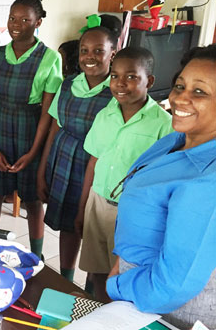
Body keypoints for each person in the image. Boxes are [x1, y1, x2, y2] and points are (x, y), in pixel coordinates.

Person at [107, 45, 216, 329]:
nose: (181, 97)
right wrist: (120, 264)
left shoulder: (209, 179)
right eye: (180, 85)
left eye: (199, 92)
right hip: (136, 282)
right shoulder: (175, 140)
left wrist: (116, 286)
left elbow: (174, 284)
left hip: (169, 310)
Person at [75, 47, 173, 302]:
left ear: (149, 81)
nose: (120, 83)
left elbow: (165, 181)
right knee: (96, 268)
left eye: (131, 77)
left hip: (133, 213)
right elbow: (93, 162)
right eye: (115, 76)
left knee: (124, 274)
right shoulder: (105, 115)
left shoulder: (164, 124)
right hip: (97, 202)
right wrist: (82, 206)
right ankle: (98, 308)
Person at [0, 0, 62, 259]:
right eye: (12, 18)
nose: (16, 24)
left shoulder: (50, 58)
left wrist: (33, 152)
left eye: (25, 19)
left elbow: (48, 112)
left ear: (38, 23)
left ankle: (36, 255)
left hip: (31, 130)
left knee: (33, 199)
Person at [37, 20, 115, 282]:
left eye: (98, 51)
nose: (89, 57)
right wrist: (42, 170)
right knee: (68, 225)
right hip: (64, 160)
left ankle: (93, 288)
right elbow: (55, 128)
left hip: (99, 167)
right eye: (84, 50)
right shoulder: (69, 84)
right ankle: (66, 278)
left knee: (94, 230)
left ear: (112, 54)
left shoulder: (117, 92)